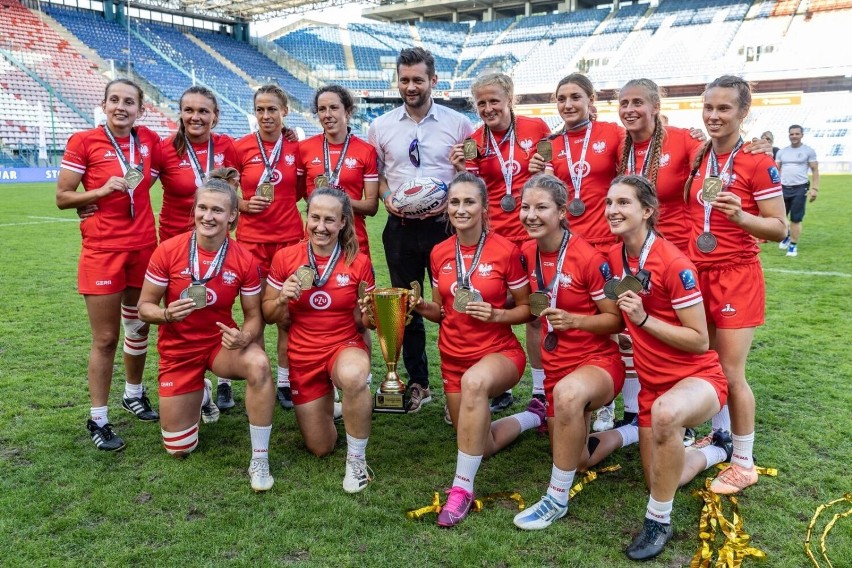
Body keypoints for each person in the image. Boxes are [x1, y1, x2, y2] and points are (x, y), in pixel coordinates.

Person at [606, 175, 729, 561]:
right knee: (661, 478)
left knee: (665, 416)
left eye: (624, 203)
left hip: (697, 379)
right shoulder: (615, 258)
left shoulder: (673, 262)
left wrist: (643, 321)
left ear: (647, 211)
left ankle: (658, 521)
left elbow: (699, 340)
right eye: (609, 202)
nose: (612, 210)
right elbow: (618, 316)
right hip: (652, 388)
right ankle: (716, 452)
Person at [411, 172, 543, 527]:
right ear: (445, 208)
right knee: (478, 445)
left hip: (498, 354)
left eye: (469, 201)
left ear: (484, 207)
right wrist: (418, 306)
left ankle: (461, 489)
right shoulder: (439, 253)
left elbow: (530, 308)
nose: (461, 208)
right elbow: (442, 312)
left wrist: (497, 313)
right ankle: (533, 417)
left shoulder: (506, 251)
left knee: (474, 385)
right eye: (455, 202)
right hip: (453, 360)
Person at [137, 179, 276, 491]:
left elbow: (254, 316)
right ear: (194, 210)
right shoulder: (168, 251)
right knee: (179, 448)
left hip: (218, 346)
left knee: (259, 364)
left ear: (231, 216)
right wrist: (165, 314)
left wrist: (244, 336)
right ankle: (202, 393)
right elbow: (144, 306)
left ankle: (260, 457)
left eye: (217, 210)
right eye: (202, 208)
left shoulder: (244, 258)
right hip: (179, 352)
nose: (208, 216)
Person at [685, 76, 786, 495]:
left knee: (731, 370)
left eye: (724, 108)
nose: (714, 116)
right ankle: (720, 437)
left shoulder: (758, 161)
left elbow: (779, 227)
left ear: (744, 111)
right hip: (698, 273)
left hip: (736, 275)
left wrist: (742, 218)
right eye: (709, 107)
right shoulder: (697, 153)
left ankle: (744, 462)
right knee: (707, 364)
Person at [511, 174, 625, 530]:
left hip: (597, 364)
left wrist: (574, 321)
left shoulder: (589, 258)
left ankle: (555, 500)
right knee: (574, 460)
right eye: (526, 207)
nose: (531, 215)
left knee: (569, 394)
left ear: (562, 212)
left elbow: (615, 320)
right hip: (557, 365)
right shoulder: (524, 252)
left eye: (541, 208)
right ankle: (631, 433)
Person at [56, 79, 161, 451]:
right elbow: (63, 196)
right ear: (103, 104)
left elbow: (186, 153)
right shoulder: (84, 141)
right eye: (114, 100)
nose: (121, 107)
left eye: (129, 102)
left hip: (144, 248)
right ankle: (98, 417)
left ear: (140, 110)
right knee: (105, 338)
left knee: (137, 326)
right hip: (103, 251)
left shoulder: (148, 140)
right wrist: (98, 193)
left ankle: (133, 394)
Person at [368, 47, 475, 412]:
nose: (410, 86)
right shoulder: (380, 126)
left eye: (417, 79)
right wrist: (387, 199)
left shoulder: (459, 124)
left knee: (452, 304)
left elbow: (473, 175)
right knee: (405, 305)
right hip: (399, 227)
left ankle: (458, 387)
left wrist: (459, 181)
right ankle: (417, 382)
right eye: (404, 80)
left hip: (445, 228)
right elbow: (378, 176)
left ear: (433, 81)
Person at [262, 188, 376, 493]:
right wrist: (282, 299)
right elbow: (268, 313)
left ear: (342, 223)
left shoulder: (359, 261)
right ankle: (337, 407)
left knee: (353, 377)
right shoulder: (286, 257)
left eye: (329, 219)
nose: (320, 226)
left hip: (343, 346)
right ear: (306, 218)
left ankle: (357, 461)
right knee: (320, 447)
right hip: (303, 353)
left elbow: (366, 321)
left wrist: (372, 313)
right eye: (315, 217)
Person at [451, 72, 552, 414]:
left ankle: (540, 390)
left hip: (533, 235)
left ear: (510, 98)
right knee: (492, 311)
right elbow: (473, 190)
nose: (488, 107)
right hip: (494, 241)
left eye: (494, 100)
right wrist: (459, 170)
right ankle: (500, 386)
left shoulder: (537, 129)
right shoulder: (473, 140)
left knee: (536, 314)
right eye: (481, 103)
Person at [529, 72, 623, 432]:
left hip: (606, 246)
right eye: (562, 98)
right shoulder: (549, 143)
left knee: (611, 322)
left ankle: (608, 404)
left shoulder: (612, 134)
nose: (568, 104)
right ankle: (553, 392)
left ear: (590, 100)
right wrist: (537, 169)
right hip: (564, 246)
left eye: (575, 97)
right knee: (553, 318)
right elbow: (540, 192)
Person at [233, 84, 304, 411]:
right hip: (251, 243)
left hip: (289, 242)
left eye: (272, 109)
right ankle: (261, 378)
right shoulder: (241, 147)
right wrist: (243, 205)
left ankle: (287, 381)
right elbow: (222, 187)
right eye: (260, 109)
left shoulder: (296, 148)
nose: (265, 116)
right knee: (256, 315)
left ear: (284, 111)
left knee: (288, 314)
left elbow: (304, 189)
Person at [300, 85, 379, 258]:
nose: (327, 115)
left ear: (348, 111)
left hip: (354, 241)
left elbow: (372, 206)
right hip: (316, 241)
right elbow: (297, 193)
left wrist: (337, 202)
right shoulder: (304, 148)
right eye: (322, 109)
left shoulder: (366, 151)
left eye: (334, 108)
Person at [158, 86, 238, 242]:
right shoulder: (163, 148)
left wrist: (285, 132)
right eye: (189, 110)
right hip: (175, 240)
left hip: (215, 241)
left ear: (215, 115)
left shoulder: (228, 145)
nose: (195, 117)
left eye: (203, 111)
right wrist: (96, 198)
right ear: (181, 113)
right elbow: (137, 189)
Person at [776, 124, 820, 257]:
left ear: (802, 135)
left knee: (796, 218)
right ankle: (787, 235)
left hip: (800, 188)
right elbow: (776, 170)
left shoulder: (808, 151)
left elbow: (815, 170)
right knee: (781, 217)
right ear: (788, 135)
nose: (794, 136)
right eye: (792, 134)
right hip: (783, 188)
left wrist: (815, 189)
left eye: (797, 134)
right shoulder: (782, 152)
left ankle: (793, 246)